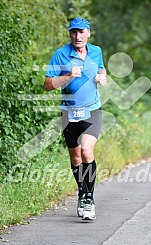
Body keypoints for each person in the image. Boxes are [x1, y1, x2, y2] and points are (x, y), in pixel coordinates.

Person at [44, 17, 106, 220]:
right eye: (74, 32)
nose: (78, 36)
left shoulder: (96, 51)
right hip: (69, 112)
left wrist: (102, 76)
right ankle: (82, 193)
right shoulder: (61, 55)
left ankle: (89, 198)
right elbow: (47, 84)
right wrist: (68, 77)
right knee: (76, 157)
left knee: (87, 151)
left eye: (81, 32)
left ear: (88, 33)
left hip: (92, 110)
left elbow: (101, 69)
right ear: (70, 34)